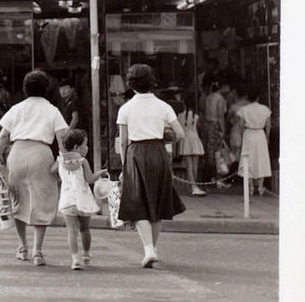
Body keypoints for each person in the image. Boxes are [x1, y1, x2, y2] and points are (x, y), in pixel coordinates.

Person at [0, 70, 68, 267]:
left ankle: (22, 246)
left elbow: (3, 136)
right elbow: (63, 138)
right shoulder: (52, 110)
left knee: (19, 200)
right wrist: (61, 160)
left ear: (25, 89)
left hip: (17, 154)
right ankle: (38, 251)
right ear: (47, 89)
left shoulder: (17, 108)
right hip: (41, 155)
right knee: (41, 202)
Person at [117, 64, 185, 268]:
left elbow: (123, 141)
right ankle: (151, 248)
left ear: (131, 84)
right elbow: (180, 134)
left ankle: (149, 249)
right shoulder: (163, 106)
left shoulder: (126, 108)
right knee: (157, 203)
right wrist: (161, 136)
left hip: (136, 154)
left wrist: (123, 166)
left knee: (137, 204)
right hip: (159, 152)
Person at [52, 128, 108, 270]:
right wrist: (100, 173)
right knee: (84, 228)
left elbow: (51, 171)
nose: (87, 148)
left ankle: (75, 259)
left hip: (67, 200)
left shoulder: (60, 161)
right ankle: (86, 254)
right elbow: (89, 179)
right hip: (82, 200)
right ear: (77, 147)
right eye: (85, 145)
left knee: (72, 231)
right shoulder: (83, 161)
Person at [236, 86, 272, 196]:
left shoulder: (244, 110)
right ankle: (260, 186)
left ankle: (250, 186)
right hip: (260, 134)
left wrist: (242, 137)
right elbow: (268, 126)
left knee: (248, 159)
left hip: (248, 134)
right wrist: (267, 137)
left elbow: (241, 125)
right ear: (258, 97)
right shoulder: (265, 109)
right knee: (261, 159)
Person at [203, 78, 231, 188]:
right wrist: (223, 130)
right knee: (218, 153)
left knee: (209, 153)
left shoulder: (208, 97)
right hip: (215, 126)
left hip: (207, 125)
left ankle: (212, 178)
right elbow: (220, 116)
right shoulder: (220, 99)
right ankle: (219, 178)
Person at [177, 109, 206, 196]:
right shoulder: (196, 115)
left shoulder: (180, 115)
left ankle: (193, 186)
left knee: (189, 166)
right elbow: (200, 127)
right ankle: (195, 186)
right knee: (195, 166)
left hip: (185, 139)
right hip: (195, 139)